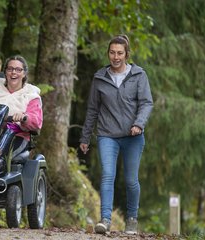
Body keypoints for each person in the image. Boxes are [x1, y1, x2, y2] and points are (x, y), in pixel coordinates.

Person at [79, 35, 153, 234]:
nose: (116, 56)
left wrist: (139, 124)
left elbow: (146, 103)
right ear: (108, 54)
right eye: (112, 52)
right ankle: (105, 219)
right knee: (107, 176)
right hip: (107, 135)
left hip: (133, 136)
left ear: (126, 54)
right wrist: (85, 137)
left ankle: (131, 218)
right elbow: (93, 109)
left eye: (120, 53)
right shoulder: (100, 77)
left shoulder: (139, 75)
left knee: (131, 180)